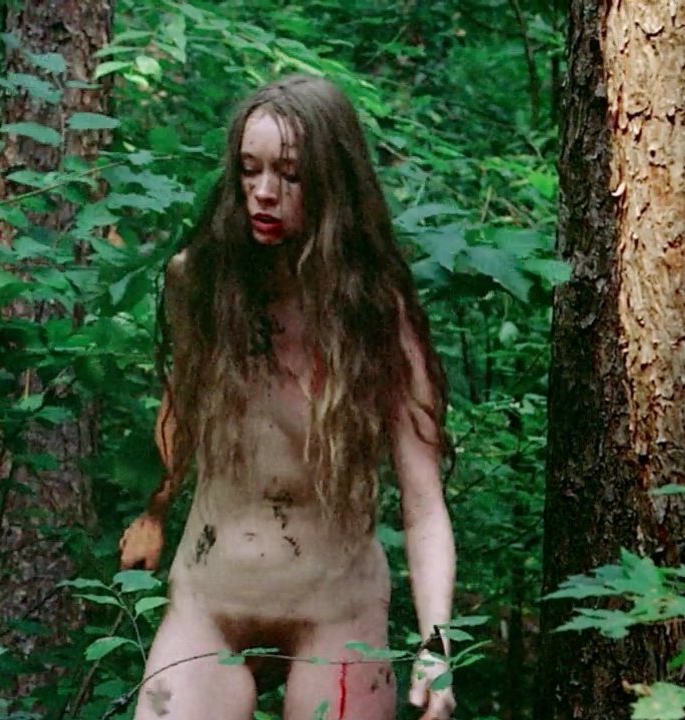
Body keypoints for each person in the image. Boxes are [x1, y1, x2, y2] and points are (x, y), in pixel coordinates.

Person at [117, 74, 457, 720]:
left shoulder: (375, 316)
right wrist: (156, 508)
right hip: (212, 601)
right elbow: (180, 407)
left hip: (338, 609)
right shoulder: (202, 284)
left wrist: (435, 642)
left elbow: (423, 506)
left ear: (333, 184)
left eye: (291, 175)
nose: (264, 193)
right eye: (250, 171)